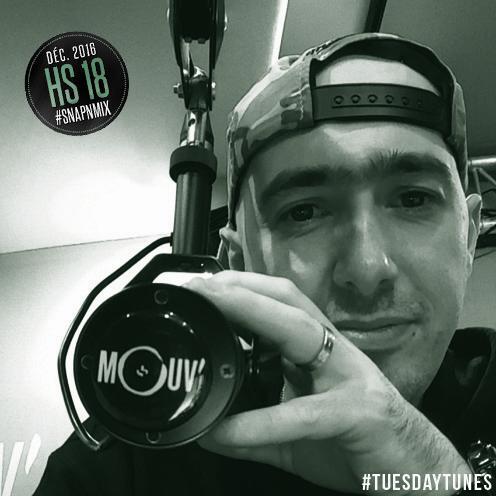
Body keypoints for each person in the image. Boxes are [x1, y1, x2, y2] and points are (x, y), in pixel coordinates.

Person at [34, 32, 496, 496]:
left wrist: (435, 477)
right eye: (304, 212)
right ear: (237, 264)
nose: (367, 268)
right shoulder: (125, 466)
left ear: (470, 235)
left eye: (413, 199)